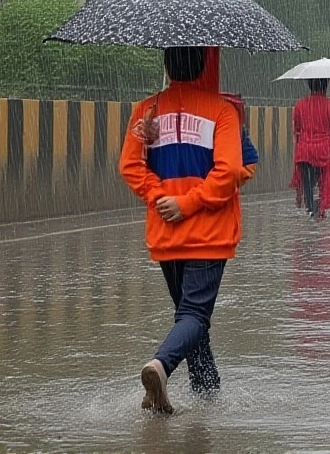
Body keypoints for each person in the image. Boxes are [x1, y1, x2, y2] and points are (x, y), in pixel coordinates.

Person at [120, 46, 245, 415]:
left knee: (189, 317)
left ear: (166, 64)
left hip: (167, 234)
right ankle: (161, 365)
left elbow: (130, 166)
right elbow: (229, 172)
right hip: (208, 234)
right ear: (204, 65)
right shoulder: (222, 111)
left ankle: (207, 394)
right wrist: (188, 203)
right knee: (194, 316)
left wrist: (160, 197)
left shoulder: (146, 112)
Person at [291, 78, 330, 219]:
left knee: (307, 181)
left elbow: (297, 129)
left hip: (304, 149)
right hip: (324, 150)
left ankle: (310, 208)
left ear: (309, 85)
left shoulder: (300, 105)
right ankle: (321, 205)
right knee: (324, 180)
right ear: (326, 86)